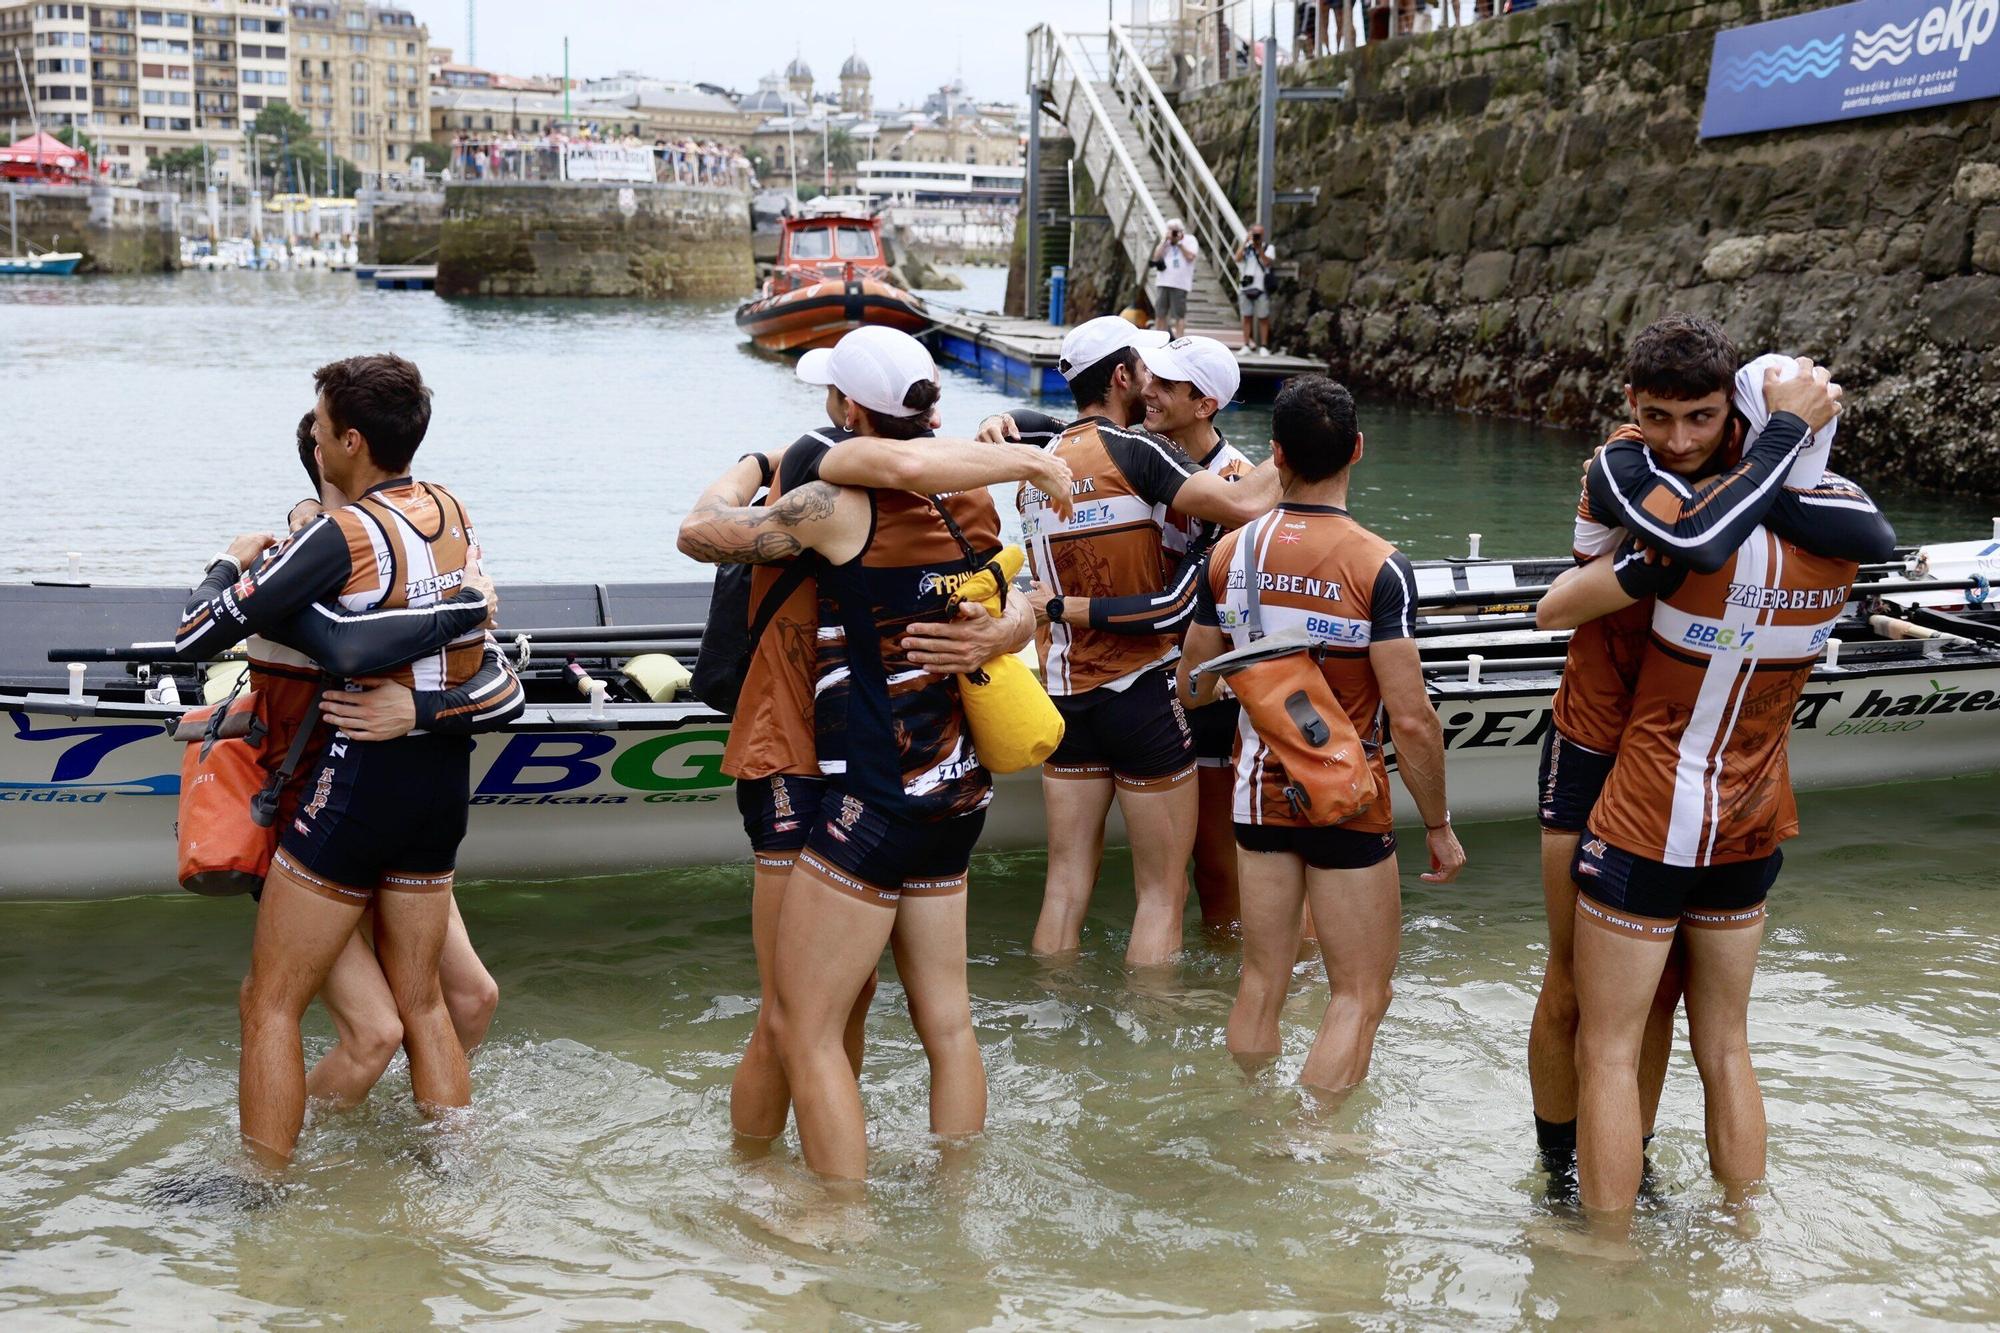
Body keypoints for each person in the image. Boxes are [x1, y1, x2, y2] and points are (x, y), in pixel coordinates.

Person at [1525, 318, 1895, 1192]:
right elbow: (1697, 539)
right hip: (1592, 736)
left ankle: (1631, 1164)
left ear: (1729, 409)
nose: (1679, 440)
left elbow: (1873, 537)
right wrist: (1783, 441)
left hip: (1674, 751)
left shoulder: (1745, 458)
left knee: (1648, 998)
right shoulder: (1621, 463)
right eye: (1658, 416)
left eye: (1697, 419)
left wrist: (1771, 451)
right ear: (1630, 407)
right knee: (1576, 982)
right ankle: (1558, 1164)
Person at [678, 328, 1052, 1181]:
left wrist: (750, 462)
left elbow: (702, 532)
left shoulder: (830, 500)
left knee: (794, 1021)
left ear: (847, 409)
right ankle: (946, 1203)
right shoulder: (973, 496)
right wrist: (1015, 623)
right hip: (945, 780)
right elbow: (1019, 590)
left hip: (852, 776)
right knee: (932, 1020)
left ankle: (817, 1209)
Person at [172, 354, 491, 1169]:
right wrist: (453, 622)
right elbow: (485, 658)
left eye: (319, 423)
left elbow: (199, 632)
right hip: (441, 774)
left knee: (270, 1003)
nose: (314, 435)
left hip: (358, 781)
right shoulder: (451, 508)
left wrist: (230, 565)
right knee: (424, 1002)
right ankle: (453, 1178)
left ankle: (260, 1191)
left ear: (349, 441)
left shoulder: (339, 534)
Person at [1178, 376, 1465, 1091]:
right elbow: (1411, 718)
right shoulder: (1380, 565)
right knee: (1361, 994)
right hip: (1346, 796)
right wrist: (1439, 823)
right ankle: (1311, 1150)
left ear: (1276, 453)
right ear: (1358, 451)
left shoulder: (1229, 554)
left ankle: (1249, 1116)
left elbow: (1194, 683)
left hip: (1255, 793)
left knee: (1261, 980)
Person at [270, 411, 517, 1110]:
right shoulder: (303, 557)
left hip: (400, 797)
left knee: (471, 999)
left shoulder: (431, 569)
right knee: (373, 1034)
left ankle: (417, 1159)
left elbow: (499, 679)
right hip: (314, 811)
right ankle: (282, 1149)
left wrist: (423, 707)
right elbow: (324, 644)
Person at [1018, 316, 1280, 967]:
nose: (1153, 385)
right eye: (1146, 371)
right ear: (1121, 376)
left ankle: (1052, 1019)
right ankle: (1154, 1046)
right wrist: (1306, 446)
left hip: (1063, 696)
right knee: (1162, 894)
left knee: (1063, 887)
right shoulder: (1139, 452)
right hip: (1142, 694)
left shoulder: (1033, 465)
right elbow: (1244, 510)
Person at [1151, 220, 1199, 340]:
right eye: (1170, 230)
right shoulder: (1166, 242)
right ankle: (1158, 340)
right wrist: (1164, 241)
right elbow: (1156, 257)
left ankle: (1179, 339)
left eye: (1175, 230)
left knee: (1179, 314)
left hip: (1180, 284)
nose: (1172, 233)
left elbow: (1190, 257)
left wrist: (1179, 244)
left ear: (1181, 231)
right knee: (1160, 313)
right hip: (1163, 281)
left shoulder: (1189, 240)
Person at [1234, 226, 1276, 354]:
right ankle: (1246, 344)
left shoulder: (1269, 247)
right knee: (1246, 316)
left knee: (1263, 317)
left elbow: (1267, 263)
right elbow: (1237, 258)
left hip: (1261, 286)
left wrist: (1259, 249)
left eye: (1258, 234)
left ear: (1263, 235)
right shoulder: (1247, 246)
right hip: (1246, 285)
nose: (1256, 236)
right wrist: (1246, 242)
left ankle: (1264, 346)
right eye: (1254, 234)